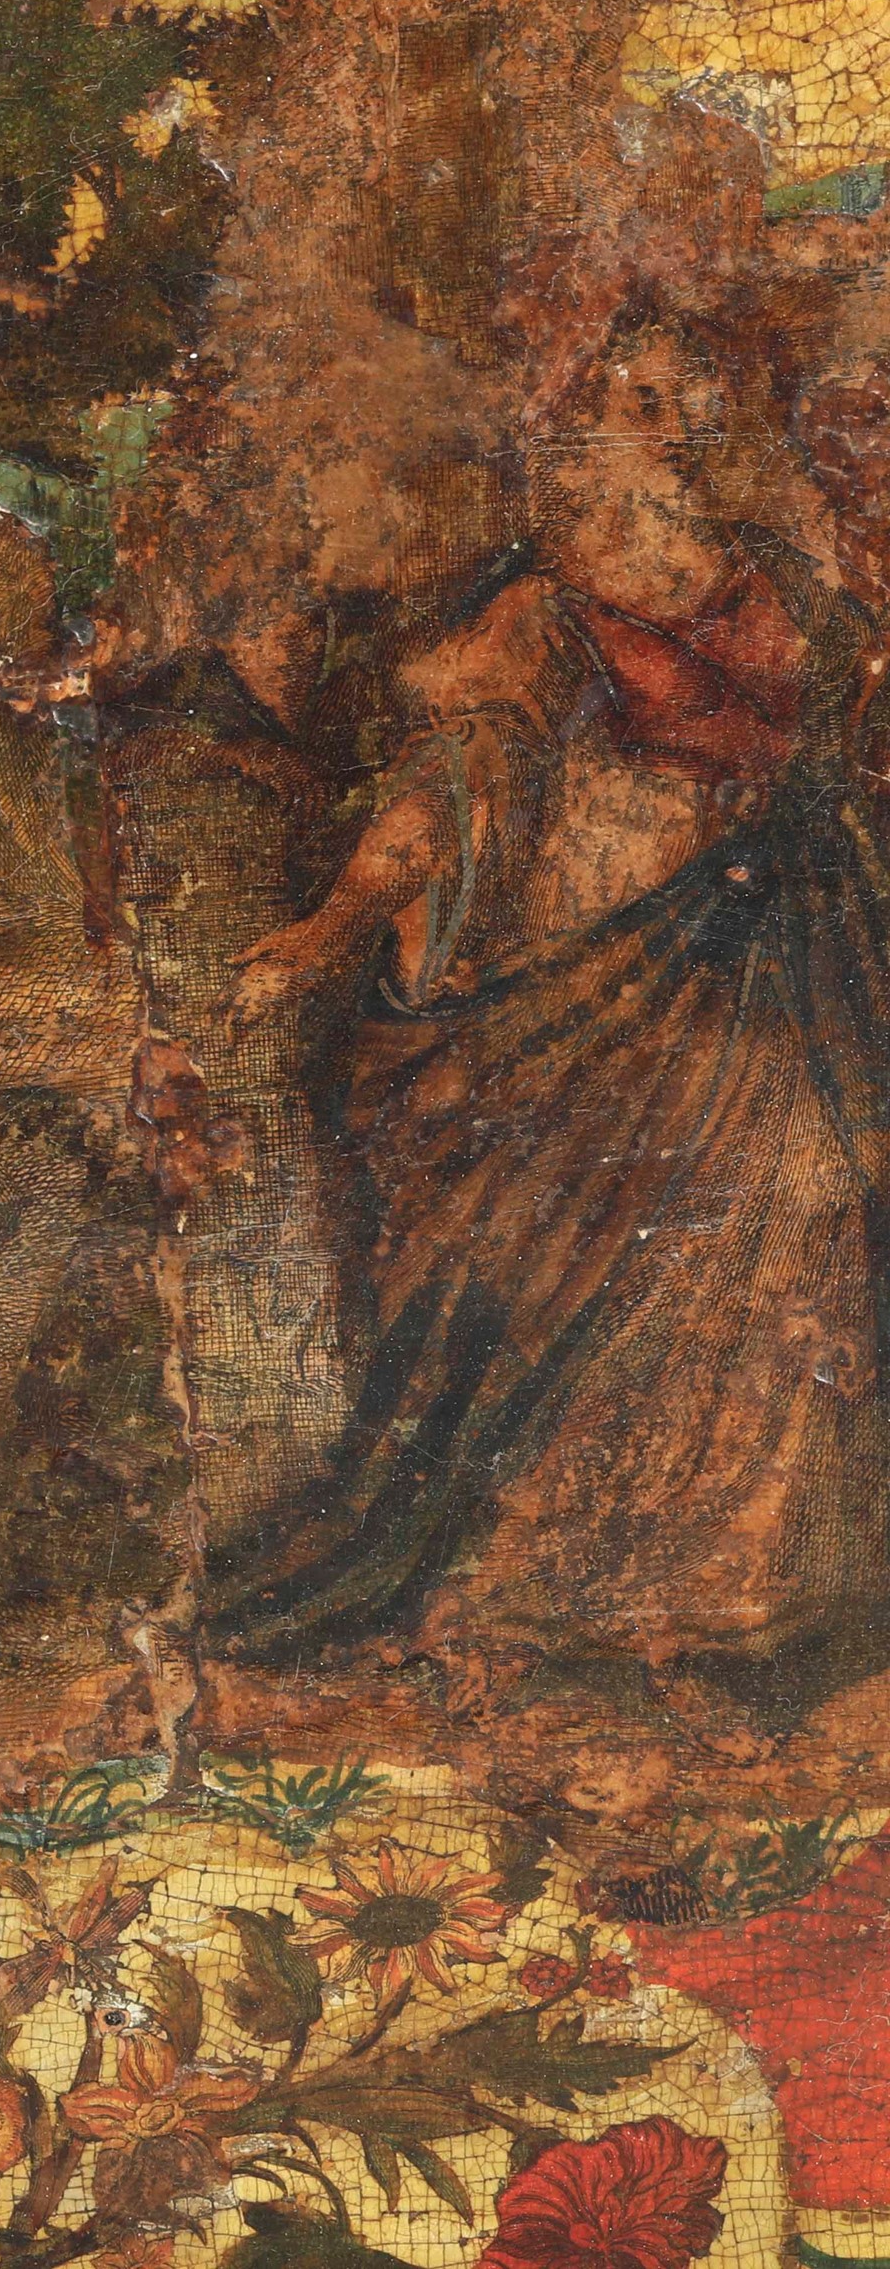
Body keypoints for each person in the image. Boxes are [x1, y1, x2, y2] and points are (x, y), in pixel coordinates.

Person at [208, 310, 890, 1697]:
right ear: (582, 420)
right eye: (640, 399)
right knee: (573, 1236)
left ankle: (739, 1588)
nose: (673, 428)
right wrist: (336, 924)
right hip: (593, 979)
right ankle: (542, 1577)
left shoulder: (792, 592)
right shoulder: (541, 609)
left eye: (693, 398)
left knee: (813, 1187)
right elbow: (451, 787)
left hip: (785, 953)